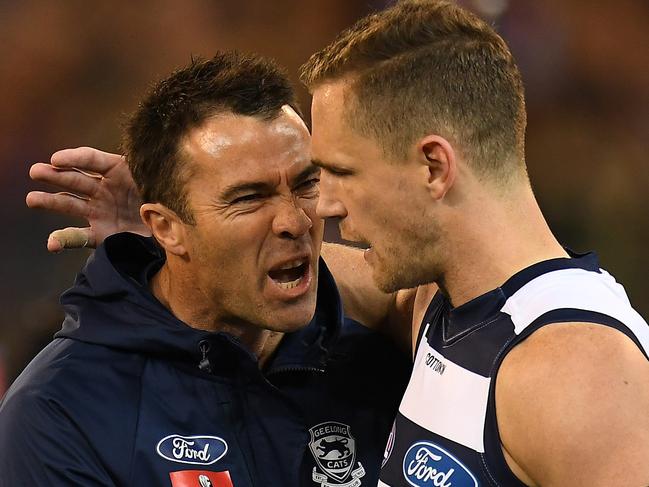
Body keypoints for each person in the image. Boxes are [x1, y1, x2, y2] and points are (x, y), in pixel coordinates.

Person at [3, 52, 412, 487]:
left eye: (307, 183)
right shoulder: (62, 413)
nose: (297, 221)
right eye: (248, 198)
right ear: (164, 227)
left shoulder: (385, 342)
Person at [299, 0, 649, 486]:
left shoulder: (580, 372)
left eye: (342, 172)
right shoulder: (439, 304)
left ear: (434, 168)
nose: (325, 206)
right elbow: (291, 273)